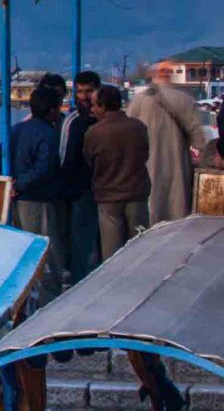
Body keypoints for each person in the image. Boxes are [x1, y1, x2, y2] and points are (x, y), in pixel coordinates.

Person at [129, 63, 209, 223]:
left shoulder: (139, 100)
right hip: (177, 166)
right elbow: (199, 138)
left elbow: (128, 132)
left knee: (151, 213)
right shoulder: (185, 100)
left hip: (147, 166)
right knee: (176, 212)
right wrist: (205, 163)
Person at [9, 83, 68, 297]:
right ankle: (48, 299)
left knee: (22, 253)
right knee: (46, 253)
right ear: (52, 110)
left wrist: (11, 184)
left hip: (16, 201)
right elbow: (45, 168)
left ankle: (23, 299)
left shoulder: (16, 130)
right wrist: (21, 184)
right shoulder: (48, 135)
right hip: (38, 202)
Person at [84, 84, 152, 259]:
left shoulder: (94, 132)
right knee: (140, 248)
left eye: (94, 105)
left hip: (108, 197)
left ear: (103, 106)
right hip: (137, 193)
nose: (92, 109)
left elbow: (89, 161)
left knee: (112, 254)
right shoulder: (138, 127)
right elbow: (145, 154)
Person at [57, 70, 102, 283]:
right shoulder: (72, 122)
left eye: (89, 91)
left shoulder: (106, 119)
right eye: (80, 91)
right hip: (81, 193)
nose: (84, 96)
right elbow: (64, 158)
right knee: (82, 247)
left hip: (107, 191)